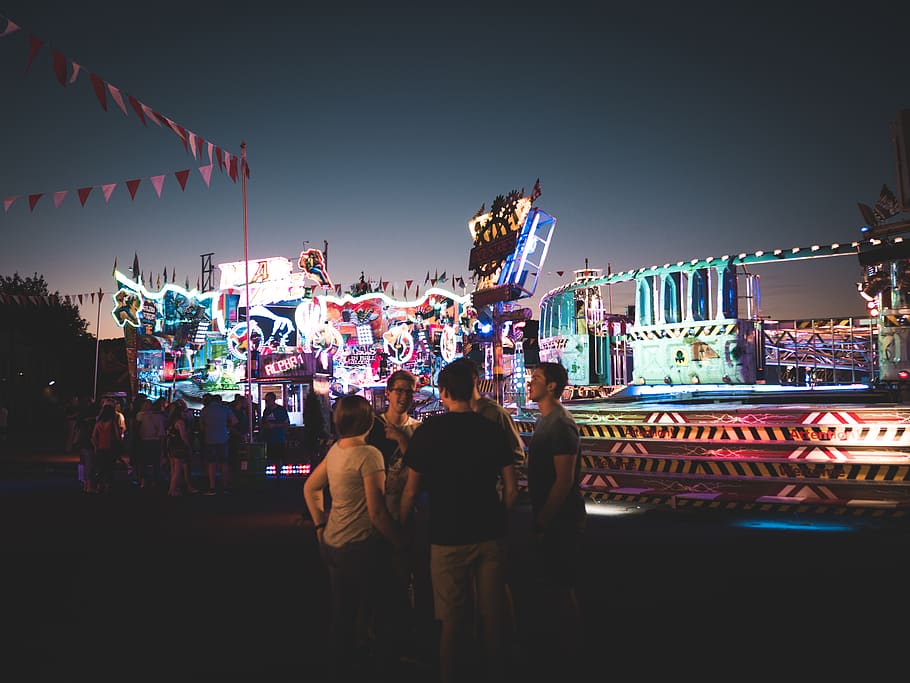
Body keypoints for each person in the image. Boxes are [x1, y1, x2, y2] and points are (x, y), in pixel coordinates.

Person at [399, 360, 518, 683]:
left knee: (452, 621)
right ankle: (496, 672)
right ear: (474, 389)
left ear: (444, 392)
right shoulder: (491, 430)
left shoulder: (429, 432)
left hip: (447, 534)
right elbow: (510, 485)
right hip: (489, 532)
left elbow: (410, 490)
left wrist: (399, 525)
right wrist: (503, 519)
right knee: (492, 617)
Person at [303, 394, 403, 681]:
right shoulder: (369, 455)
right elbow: (378, 513)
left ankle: (342, 665)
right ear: (368, 421)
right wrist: (401, 542)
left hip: (332, 541)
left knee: (343, 611)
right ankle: (381, 666)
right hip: (360, 545)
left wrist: (320, 526)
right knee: (379, 608)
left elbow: (310, 488)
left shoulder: (336, 450)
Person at [525, 361, 586, 677]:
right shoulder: (545, 420)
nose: (529, 382)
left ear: (551, 386)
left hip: (561, 519)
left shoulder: (561, 424)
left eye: (535, 378)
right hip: (551, 516)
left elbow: (563, 480)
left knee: (561, 585)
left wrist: (542, 520)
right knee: (552, 582)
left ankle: (570, 653)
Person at [366, 370, 425, 655]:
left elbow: (422, 471)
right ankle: (375, 635)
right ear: (387, 392)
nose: (403, 396)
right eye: (398, 391)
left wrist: (403, 440)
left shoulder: (417, 429)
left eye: (408, 392)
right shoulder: (373, 427)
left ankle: (402, 634)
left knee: (405, 574)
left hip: (406, 508)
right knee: (376, 573)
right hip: (374, 510)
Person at [200, 394, 237, 494]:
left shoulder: (205, 410)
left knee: (211, 463)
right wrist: (226, 428)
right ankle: (225, 486)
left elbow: (201, 426)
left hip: (209, 439)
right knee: (224, 463)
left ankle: (212, 487)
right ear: (220, 400)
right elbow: (234, 421)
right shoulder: (225, 409)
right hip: (223, 438)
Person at [165, 401, 197, 496]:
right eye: (184, 411)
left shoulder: (170, 421)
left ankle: (172, 489)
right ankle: (172, 490)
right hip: (179, 446)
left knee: (173, 469)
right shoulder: (180, 422)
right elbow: (183, 436)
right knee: (177, 470)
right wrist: (188, 446)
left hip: (171, 445)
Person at [90, 403, 122, 495]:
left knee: (101, 467)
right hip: (111, 448)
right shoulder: (112, 422)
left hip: (100, 447)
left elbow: (93, 437)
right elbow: (117, 436)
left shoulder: (98, 423)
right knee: (109, 468)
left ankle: (100, 485)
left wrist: (96, 447)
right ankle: (108, 487)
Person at [134, 397, 166, 489]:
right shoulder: (159, 416)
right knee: (155, 461)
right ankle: (154, 480)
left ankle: (144, 481)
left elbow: (137, 428)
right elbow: (161, 431)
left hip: (144, 440)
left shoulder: (140, 415)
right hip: (154, 440)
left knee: (144, 461)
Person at [261, 392, 290, 480]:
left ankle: (278, 476)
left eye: (268, 400)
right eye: (266, 401)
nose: (267, 402)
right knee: (268, 457)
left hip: (278, 438)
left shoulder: (281, 410)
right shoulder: (266, 410)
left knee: (278, 458)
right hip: (268, 438)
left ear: (273, 400)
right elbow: (263, 423)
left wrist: (274, 426)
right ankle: (267, 476)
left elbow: (286, 424)